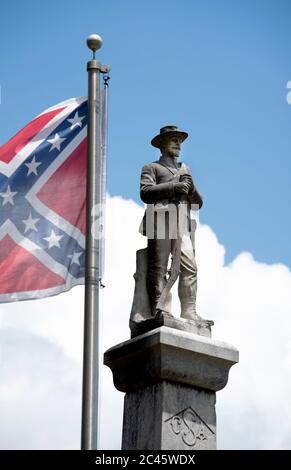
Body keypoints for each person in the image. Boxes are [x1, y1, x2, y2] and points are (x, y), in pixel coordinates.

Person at [140, 125, 203, 321]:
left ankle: (189, 311)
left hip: (182, 224)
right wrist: (174, 186)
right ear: (162, 144)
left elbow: (198, 203)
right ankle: (160, 309)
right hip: (159, 219)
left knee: (190, 267)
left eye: (180, 141)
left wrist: (190, 188)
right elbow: (146, 192)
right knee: (159, 267)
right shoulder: (152, 167)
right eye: (174, 140)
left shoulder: (185, 169)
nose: (178, 144)